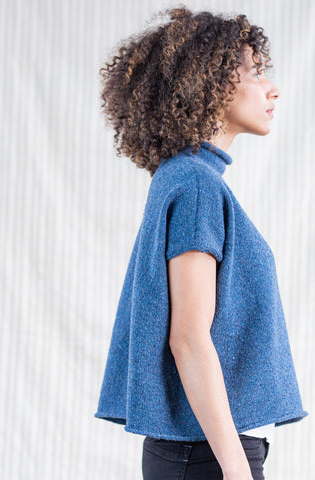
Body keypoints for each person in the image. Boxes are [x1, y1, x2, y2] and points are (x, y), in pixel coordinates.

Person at [94, 6, 308, 480]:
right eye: (254, 72)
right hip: (208, 456)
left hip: (200, 452)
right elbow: (189, 337)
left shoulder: (187, 177)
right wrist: (236, 469)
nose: (271, 86)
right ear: (206, 83)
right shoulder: (195, 184)